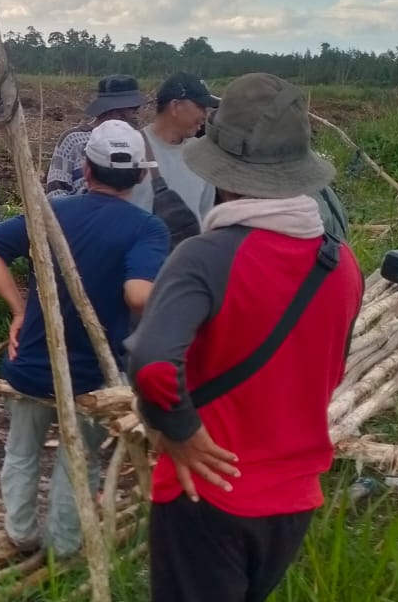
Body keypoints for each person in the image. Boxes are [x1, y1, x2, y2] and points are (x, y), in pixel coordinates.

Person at [125, 72, 363, 602]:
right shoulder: (340, 263)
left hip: (207, 494)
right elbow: (330, 369)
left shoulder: (205, 257)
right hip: (293, 499)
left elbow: (152, 363)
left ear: (223, 170)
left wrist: (181, 429)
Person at [0, 120, 170, 558]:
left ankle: (21, 533)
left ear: (85, 167)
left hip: (30, 364)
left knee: (21, 452)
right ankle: (64, 546)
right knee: (79, 459)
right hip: (92, 376)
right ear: (141, 175)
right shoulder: (146, 228)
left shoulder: (52, 212)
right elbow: (137, 295)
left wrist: (20, 310)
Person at [133, 72, 220, 247]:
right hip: (138, 269)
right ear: (175, 106)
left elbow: (205, 218)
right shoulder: (131, 147)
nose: (206, 115)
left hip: (184, 267)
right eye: (201, 107)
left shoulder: (203, 155)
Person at [45, 74, 146, 201]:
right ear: (113, 110)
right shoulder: (73, 140)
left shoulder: (135, 142)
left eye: (137, 107)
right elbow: (55, 194)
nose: (137, 113)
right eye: (132, 108)